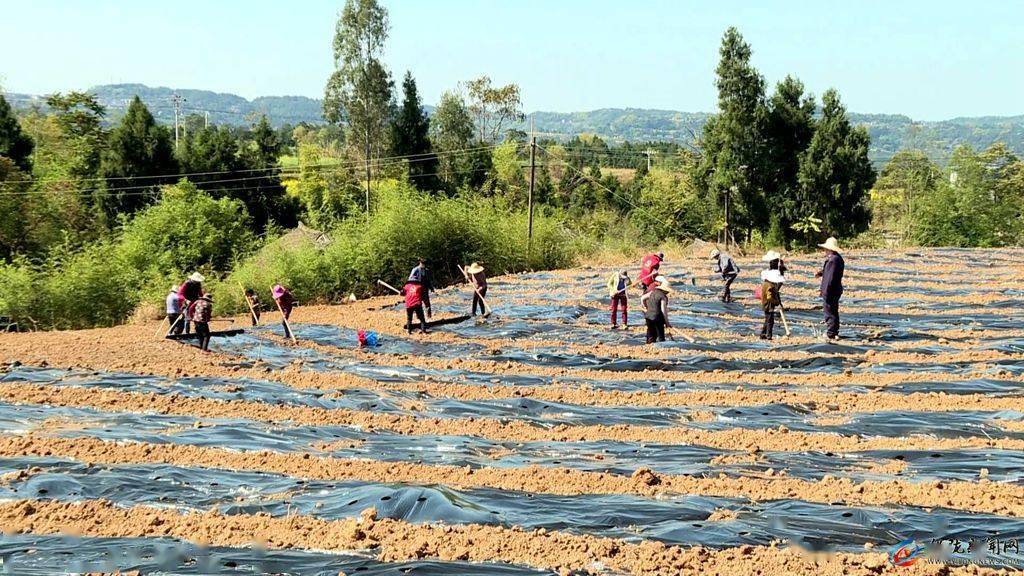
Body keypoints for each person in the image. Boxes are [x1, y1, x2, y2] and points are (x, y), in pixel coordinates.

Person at [814, 237, 845, 340]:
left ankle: (830, 333)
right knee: (833, 311)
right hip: (835, 289)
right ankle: (834, 332)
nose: (824, 251)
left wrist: (824, 291)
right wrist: (820, 273)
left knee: (829, 311)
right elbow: (828, 272)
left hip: (831, 290)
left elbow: (829, 278)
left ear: (829, 249)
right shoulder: (838, 258)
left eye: (825, 249)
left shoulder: (833, 260)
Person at [759, 250, 786, 340]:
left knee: (767, 319)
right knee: (770, 320)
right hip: (768, 305)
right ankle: (768, 335)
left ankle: (763, 334)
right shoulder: (770, 285)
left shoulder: (768, 283)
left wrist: (778, 302)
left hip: (767, 304)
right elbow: (770, 297)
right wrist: (777, 302)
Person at [641, 275, 672, 344]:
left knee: (650, 333)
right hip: (657, 318)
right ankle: (662, 346)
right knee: (661, 335)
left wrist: (645, 307)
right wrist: (667, 322)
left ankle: (648, 345)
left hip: (648, 316)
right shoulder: (663, 297)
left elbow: (642, 298)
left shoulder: (652, 292)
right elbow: (663, 310)